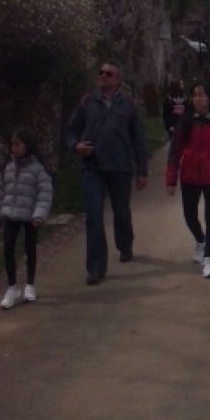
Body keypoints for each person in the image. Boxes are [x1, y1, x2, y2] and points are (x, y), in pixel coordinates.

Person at [66, 62, 148, 285]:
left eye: (108, 74)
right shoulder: (87, 102)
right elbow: (71, 130)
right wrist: (76, 146)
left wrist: (142, 170)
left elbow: (138, 139)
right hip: (93, 167)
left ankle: (125, 244)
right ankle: (96, 268)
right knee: (93, 215)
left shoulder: (128, 105)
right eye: (101, 73)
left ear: (118, 79)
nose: (103, 76)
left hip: (120, 167)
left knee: (121, 211)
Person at [166, 80, 210, 279]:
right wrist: (171, 179)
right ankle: (200, 239)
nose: (197, 99)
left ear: (209, 98)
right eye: (194, 95)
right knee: (189, 215)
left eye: (201, 94)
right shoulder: (186, 121)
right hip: (189, 176)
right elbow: (175, 150)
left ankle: (208, 259)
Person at [0, 128, 53, 309]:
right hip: (10, 214)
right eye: (12, 144)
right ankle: (11, 287)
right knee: (8, 249)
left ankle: (30, 284)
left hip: (30, 216)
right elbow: (0, 194)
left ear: (27, 145)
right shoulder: (7, 168)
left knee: (30, 248)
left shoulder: (38, 170)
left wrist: (39, 215)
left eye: (17, 144)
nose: (14, 148)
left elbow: (44, 194)